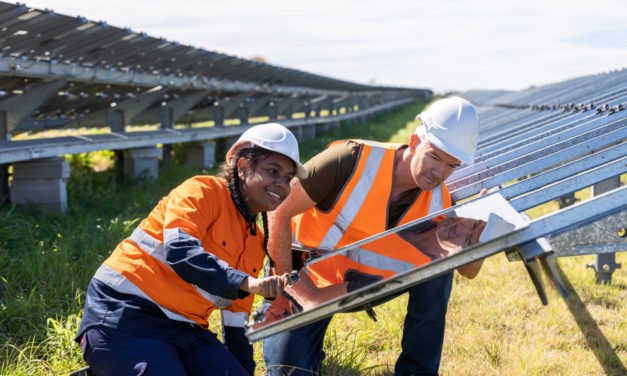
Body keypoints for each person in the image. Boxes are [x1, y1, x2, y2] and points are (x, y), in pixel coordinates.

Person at [263, 96, 483, 375]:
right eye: (434, 156)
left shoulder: (441, 202)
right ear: (415, 142)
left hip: (365, 282)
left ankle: (418, 371)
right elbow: (278, 211)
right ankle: (306, 344)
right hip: (306, 278)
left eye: (452, 165)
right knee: (289, 370)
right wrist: (286, 285)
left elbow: (468, 271)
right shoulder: (349, 159)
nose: (439, 172)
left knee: (440, 266)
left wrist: (481, 226)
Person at [75, 123, 307, 376]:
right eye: (273, 171)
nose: (281, 184)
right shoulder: (201, 192)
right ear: (242, 168)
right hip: (124, 315)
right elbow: (180, 251)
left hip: (185, 329)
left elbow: (235, 325)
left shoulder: (254, 240)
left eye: (287, 177)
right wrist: (247, 283)